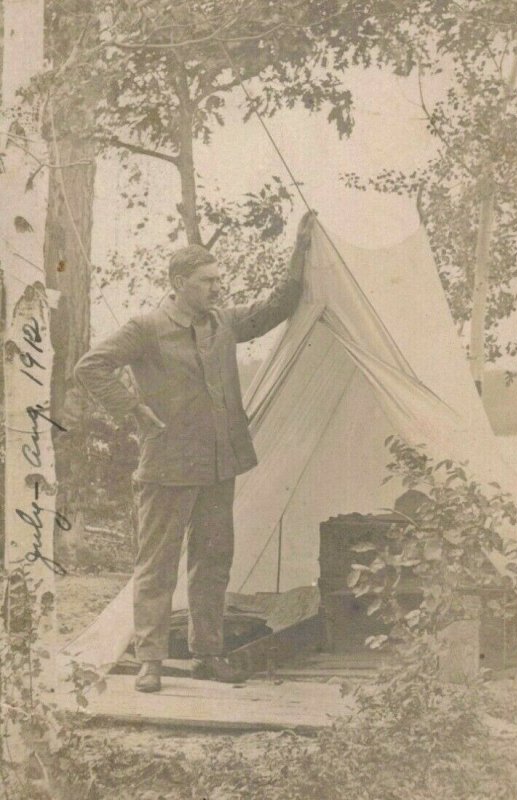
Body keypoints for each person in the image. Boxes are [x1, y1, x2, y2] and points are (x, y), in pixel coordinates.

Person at [74, 212, 315, 692]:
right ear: (179, 282)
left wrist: (301, 248)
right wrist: (134, 409)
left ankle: (208, 654)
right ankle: (151, 662)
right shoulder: (146, 327)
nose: (216, 289)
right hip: (165, 467)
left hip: (218, 464)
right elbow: (91, 366)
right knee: (157, 565)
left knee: (213, 560)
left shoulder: (222, 322)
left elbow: (277, 307)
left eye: (218, 281)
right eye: (207, 281)